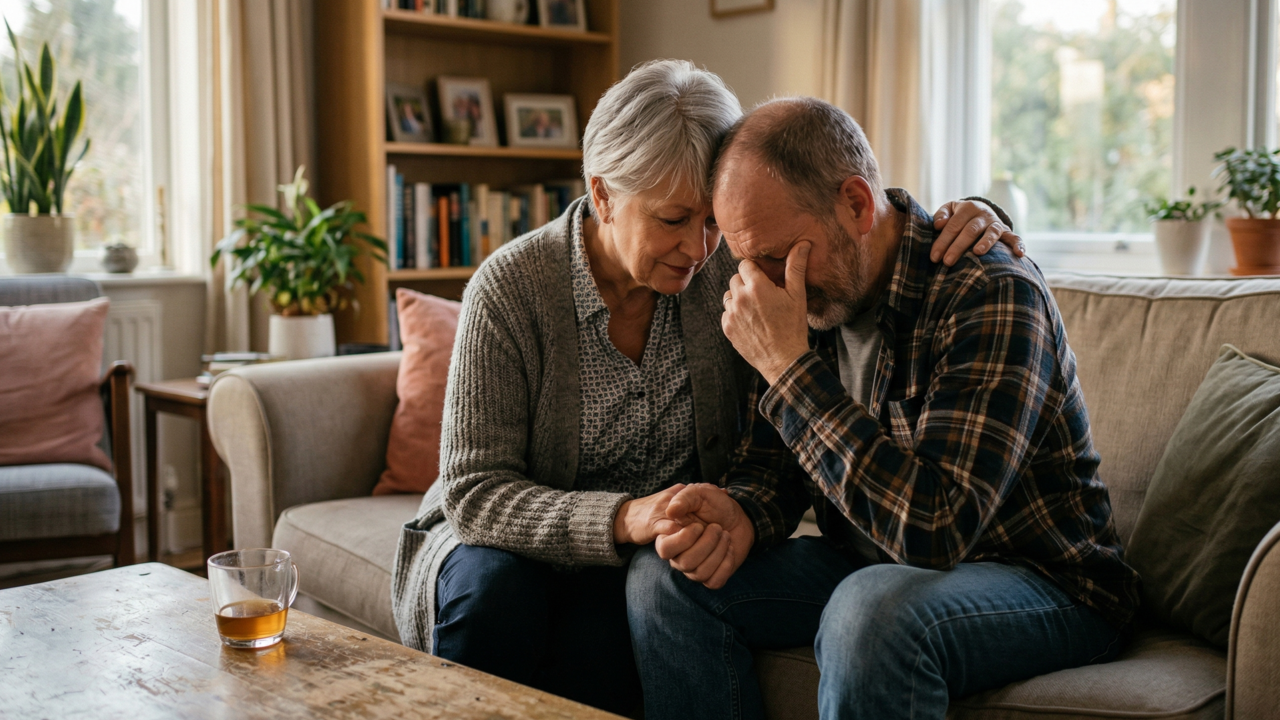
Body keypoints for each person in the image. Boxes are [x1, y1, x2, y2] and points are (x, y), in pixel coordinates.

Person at [390, 62, 1020, 716]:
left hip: (651, 554)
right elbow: (474, 491)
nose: (698, 248)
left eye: (713, 222)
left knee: (629, 611)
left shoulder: (748, 266)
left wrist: (980, 213)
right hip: (511, 540)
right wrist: (636, 517)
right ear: (603, 196)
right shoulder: (513, 289)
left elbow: (852, 217)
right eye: (673, 219)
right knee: (503, 595)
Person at [626, 97, 1141, 720]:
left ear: (857, 204)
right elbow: (774, 469)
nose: (761, 282)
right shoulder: (810, 293)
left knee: (871, 611)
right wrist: (741, 515)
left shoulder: (990, 292)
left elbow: (937, 528)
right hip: (868, 562)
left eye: (775, 255)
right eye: (746, 260)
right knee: (665, 583)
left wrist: (788, 370)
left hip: (1047, 583)